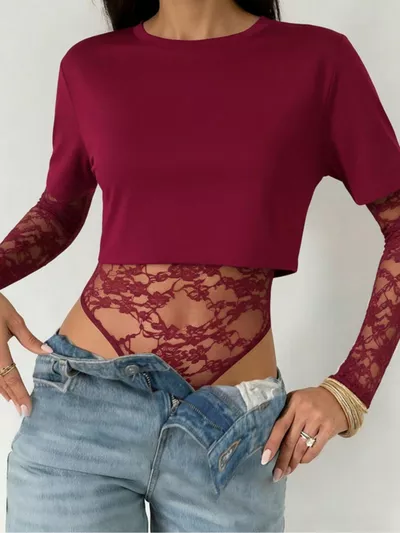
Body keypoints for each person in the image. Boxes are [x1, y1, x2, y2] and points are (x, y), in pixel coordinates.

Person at [1, 0, 400, 531]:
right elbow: (59, 211)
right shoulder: (89, 65)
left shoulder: (319, 60)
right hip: (83, 409)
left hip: (234, 430)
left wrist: (351, 390)